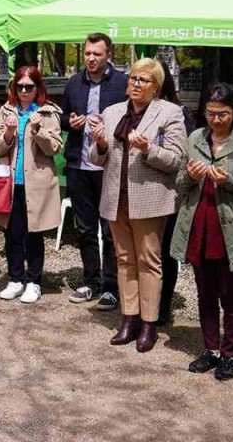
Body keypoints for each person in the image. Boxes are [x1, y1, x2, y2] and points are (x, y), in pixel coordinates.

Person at [88, 57, 187, 353]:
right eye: (132, 78)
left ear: (155, 87)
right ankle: (128, 319)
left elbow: (176, 160)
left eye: (142, 80)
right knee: (123, 260)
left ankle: (149, 324)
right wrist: (101, 144)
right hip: (115, 197)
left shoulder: (170, 113)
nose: (135, 84)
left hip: (149, 200)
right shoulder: (113, 111)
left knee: (149, 261)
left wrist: (148, 149)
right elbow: (96, 157)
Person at [171, 83, 233, 381]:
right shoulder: (195, 139)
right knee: (205, 293)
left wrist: (229, 181)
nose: (216, 120)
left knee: (231, 295)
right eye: (211, 113)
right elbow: (178, 182)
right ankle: (210, 349)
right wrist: (189, 175)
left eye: (223, 114)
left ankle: (231, 353)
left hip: (232, 230)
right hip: (198, 224)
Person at [64, 33, 127, 312]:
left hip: (109, 165)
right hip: (79, 163)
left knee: (110, 229)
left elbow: (132, 120)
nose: (90, 59)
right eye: (87, 54)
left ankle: (112, 287)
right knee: (86, 228)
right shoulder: (74, 83)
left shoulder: (123, 84)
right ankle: (91, 279)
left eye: (96, 54)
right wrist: (72, 122)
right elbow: (63, 117)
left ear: (108, 56)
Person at [0, 67, 64, 305]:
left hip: (37, 184)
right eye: (19, 86)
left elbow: (54, 147)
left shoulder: (47, 112)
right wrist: (9, 133)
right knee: (12, 233)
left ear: (37, 88)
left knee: (34, 233)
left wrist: (38, 131)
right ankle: (15, 279)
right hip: (10, 183)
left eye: (29, 87)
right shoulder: (5, 111)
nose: (23, 91)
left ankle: (33, 282)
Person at [157, 60, 197, 326]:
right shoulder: (132, 110)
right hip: (138, 192)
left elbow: (188, 152)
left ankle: (162, 307)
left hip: (169, 192)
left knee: (164, 251)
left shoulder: (179, 113)